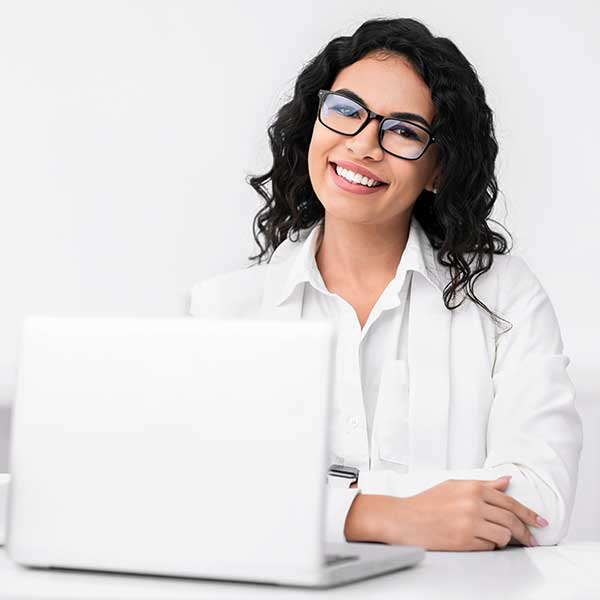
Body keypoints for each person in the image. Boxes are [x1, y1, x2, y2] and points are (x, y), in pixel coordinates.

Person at [189, 17, 582, 551]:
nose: (364, 145)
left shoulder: (505, 298)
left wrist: (304, 506)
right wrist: (379, 517)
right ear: (314, 124)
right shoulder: (225, 310)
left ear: (438, 168)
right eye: (346, 111)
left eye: (403, 130)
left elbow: (540, 503)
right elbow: (204, 497)